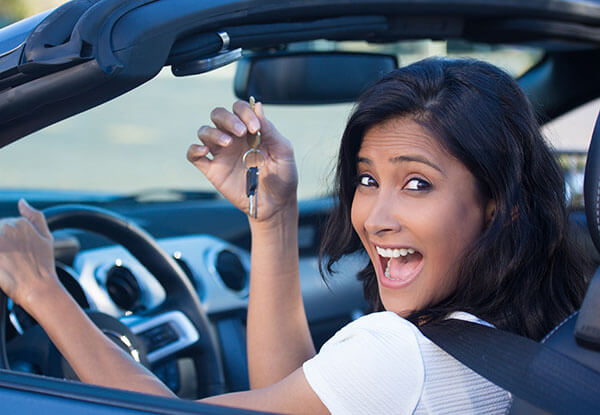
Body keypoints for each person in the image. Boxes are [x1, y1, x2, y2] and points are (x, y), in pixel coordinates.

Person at [0, 58, 591, 414]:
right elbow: (295, 398)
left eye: (416, 184)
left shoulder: (399, 351)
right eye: (366, 178)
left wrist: (42, 290)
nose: (376, 216)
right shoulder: (554, 324)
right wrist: (273, 219)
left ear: (498, 208)